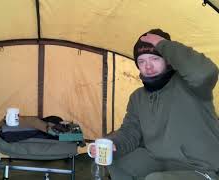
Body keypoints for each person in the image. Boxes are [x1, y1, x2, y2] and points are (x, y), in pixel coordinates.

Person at [90, 29, 219, 180]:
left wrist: (162, 44)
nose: (148, 66)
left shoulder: (192, 86)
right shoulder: (138, 97)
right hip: (158, 161)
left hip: (200, 168)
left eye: (155, 59)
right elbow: (130, 132)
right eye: (141, 61)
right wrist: (113, 144)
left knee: (155, 179)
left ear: (167, 59)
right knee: (116, 160)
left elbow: (204, 73)